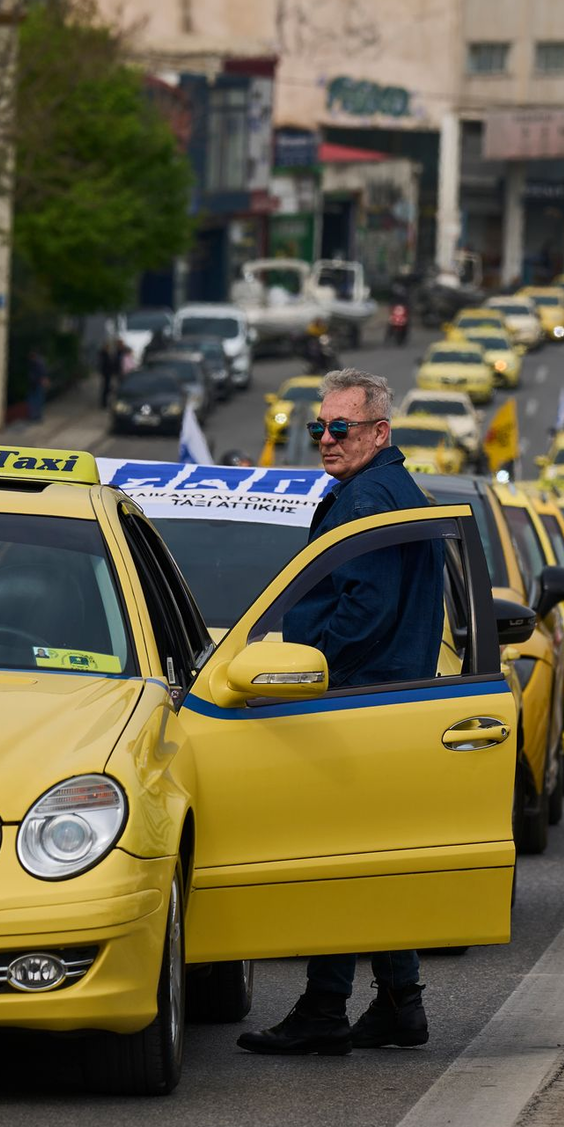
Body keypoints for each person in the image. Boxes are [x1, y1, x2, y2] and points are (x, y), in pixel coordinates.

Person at [237, 367, 443, 1057]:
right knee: (372, 863)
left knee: (335, 861)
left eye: (339, 427)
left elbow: (363, 611)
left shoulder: (365, 500)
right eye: (317, 428)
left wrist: (304, 664)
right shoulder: (392, 489)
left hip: (354, 704)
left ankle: (327, 1006)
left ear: (378, 431)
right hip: (392, 702)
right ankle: (398, 1003)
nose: (325, 439)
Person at [26, 350, 49, 422]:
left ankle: (35, 416)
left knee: (35, 400)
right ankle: (37, 416)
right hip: (36, 383)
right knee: (37, 400)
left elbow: (42, 373)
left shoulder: (36, 363)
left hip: (35, 383)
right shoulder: (39, 362)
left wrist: (43, 380)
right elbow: (43, 373)